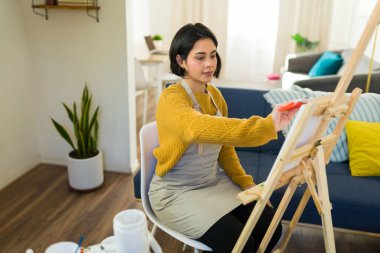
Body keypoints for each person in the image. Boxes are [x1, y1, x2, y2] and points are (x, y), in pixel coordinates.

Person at [148, 23, 299, 253]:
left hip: (213, 182)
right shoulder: (171, 99)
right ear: (181, 61)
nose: (209, 64)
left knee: (270, 228)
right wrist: (267, 126)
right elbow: (198, 128)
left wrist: (247, 183)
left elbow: (225, 149)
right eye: (200, 57)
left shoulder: (216, 96)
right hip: (175, 192)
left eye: (213, 55)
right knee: (240, 245)